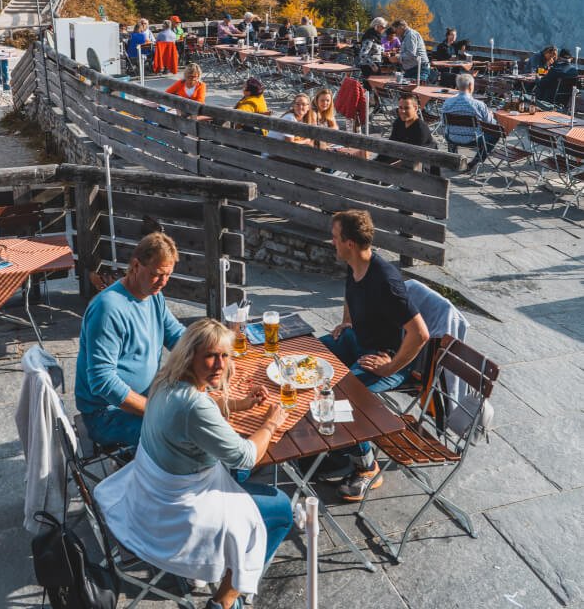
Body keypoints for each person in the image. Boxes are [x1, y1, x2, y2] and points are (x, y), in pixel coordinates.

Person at [94, 319, 292, 609]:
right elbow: (247, 455)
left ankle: (220, 564)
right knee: (281, 506)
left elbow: (204, 404)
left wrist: (240, 404)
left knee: (239, 471)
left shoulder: (166, 378)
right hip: (177, 512)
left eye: (225, 355)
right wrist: (271, 422)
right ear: (190, 356)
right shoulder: (193, 406)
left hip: (147, 493)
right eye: (211, 356)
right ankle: (225, 601)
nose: (220, 364)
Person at [320, 211, 429, 499]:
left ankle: (366, 466)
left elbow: (420, 334)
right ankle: (333, 448)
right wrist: (348, 321)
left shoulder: (386, 282)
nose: (332, 242)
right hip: (357, 341)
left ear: (350, 244)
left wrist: (390, 367)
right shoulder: (354, 264)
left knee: (337, 397)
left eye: (335, 237)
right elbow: (349, 292)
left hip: (384, 359)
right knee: (308, 353)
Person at [75, 233, 186, 447]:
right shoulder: (108, 309)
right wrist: (154, 410)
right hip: (106, 415)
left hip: (147, 395)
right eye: (157, 274)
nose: (163, 282)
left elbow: (177, 336)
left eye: (168, 275)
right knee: (183, 439)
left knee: (203, 411)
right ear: (136, 266)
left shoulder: (154, 295)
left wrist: (209, 349)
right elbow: (102, 381)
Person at [441, 73, 498, 170]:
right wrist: (491, 116)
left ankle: (454, 160)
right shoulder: (479, 105)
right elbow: (491, 125)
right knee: (496, 134)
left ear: (458, 86)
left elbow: (443, 122)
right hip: (473, 139)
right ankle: (474, 162)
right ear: (471, 86)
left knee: (449, 129)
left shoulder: (447, 102)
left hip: (452, 137)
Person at [376, 93, 439, 173]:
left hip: (419, 171)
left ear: (415, 108)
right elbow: (391, 146)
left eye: (407, 108)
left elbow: (414, 158)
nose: (402, 111)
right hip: (401, 165)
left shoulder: (421, 128)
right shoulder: (399, 122)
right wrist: (376, 163)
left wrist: (387, 168)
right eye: (400, 107)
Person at [358, 17, 386, 82]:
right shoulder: (370, 37)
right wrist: (373, 65)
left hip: (374, 65)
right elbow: (363, 54)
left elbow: (374, 50)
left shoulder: (376, 37)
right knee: (371, 88)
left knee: (375, 87)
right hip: (369, 66)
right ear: (377, 26)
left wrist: (383, 53)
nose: (384, 29)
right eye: (383, 27)